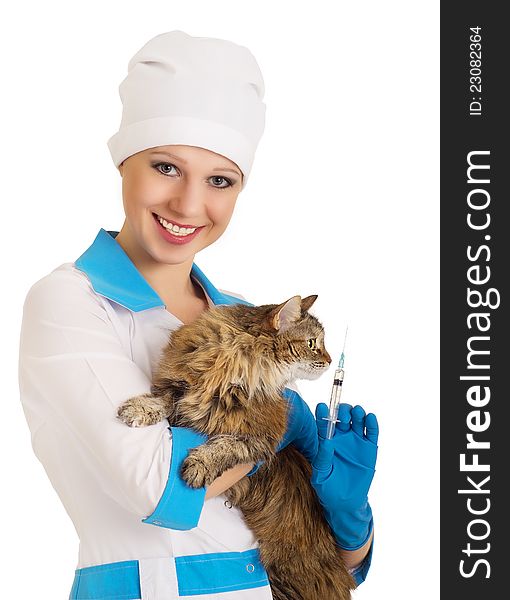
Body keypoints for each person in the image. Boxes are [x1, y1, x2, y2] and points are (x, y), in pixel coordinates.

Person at [18, 30, 378, 599]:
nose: (188, 205)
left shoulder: (241, 319)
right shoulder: (70, 302)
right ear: (123, 164)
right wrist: (276, 433)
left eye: (219, 180)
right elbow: (160, 481)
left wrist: (347, 512)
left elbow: (340, 566)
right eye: (166, 167)